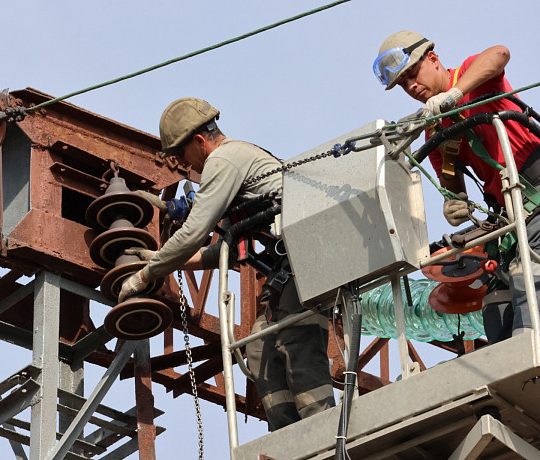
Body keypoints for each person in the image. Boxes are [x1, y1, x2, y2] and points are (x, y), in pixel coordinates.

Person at [117, 97, 335, 431]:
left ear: (199, 141)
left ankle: (324, 436)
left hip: (307, 263)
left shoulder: (224, 160)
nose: (183, 164)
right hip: (286, 273)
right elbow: (226, 253)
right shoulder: (234, 166)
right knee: (260, 346)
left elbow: (192, 233)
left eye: (181, 155)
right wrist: (161, 260)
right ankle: (290, 440)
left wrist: (147, 273)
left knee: (296, 338)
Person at [374, 31, 540, 343]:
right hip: (509, 214)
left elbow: (500, 52)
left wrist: (453, 95)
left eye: (412, 73)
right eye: (403, 84)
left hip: (536, 192)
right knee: (496, 306)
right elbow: (454, 189)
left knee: (529, 285)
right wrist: (454, 205)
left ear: (433, 60)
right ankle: (515, 377)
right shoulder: (435, 133)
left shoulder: (470, 76)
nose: (411, 86)